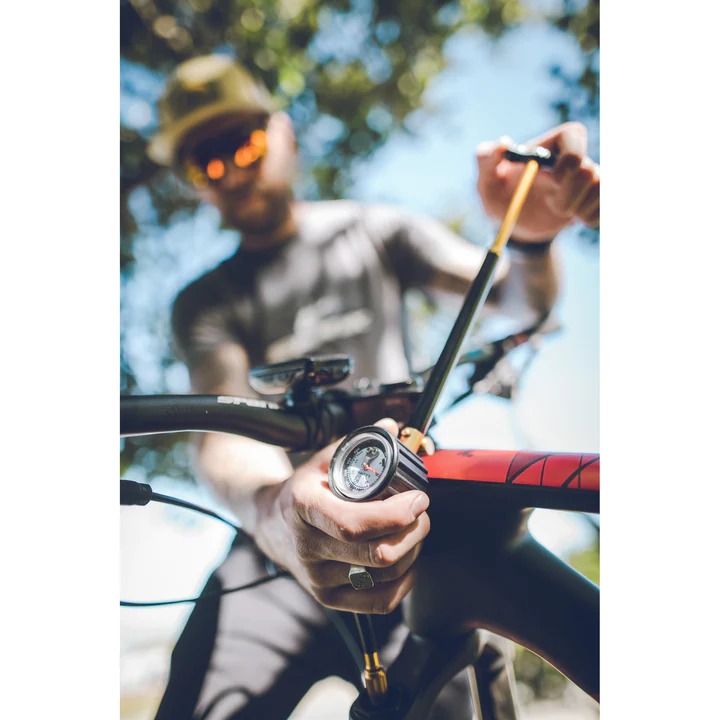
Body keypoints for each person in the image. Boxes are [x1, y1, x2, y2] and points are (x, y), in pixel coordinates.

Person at [143, 54, 600, 719]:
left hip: (409, 530)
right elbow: (221, 430)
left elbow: (520, 303)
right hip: (270, 553)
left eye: (242, 143)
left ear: (282, 132)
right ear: (193, 184)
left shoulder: (373, 229)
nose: (232, 171)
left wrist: (529, 237)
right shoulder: (204, 301)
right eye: (205, 162)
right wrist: (275, 512)